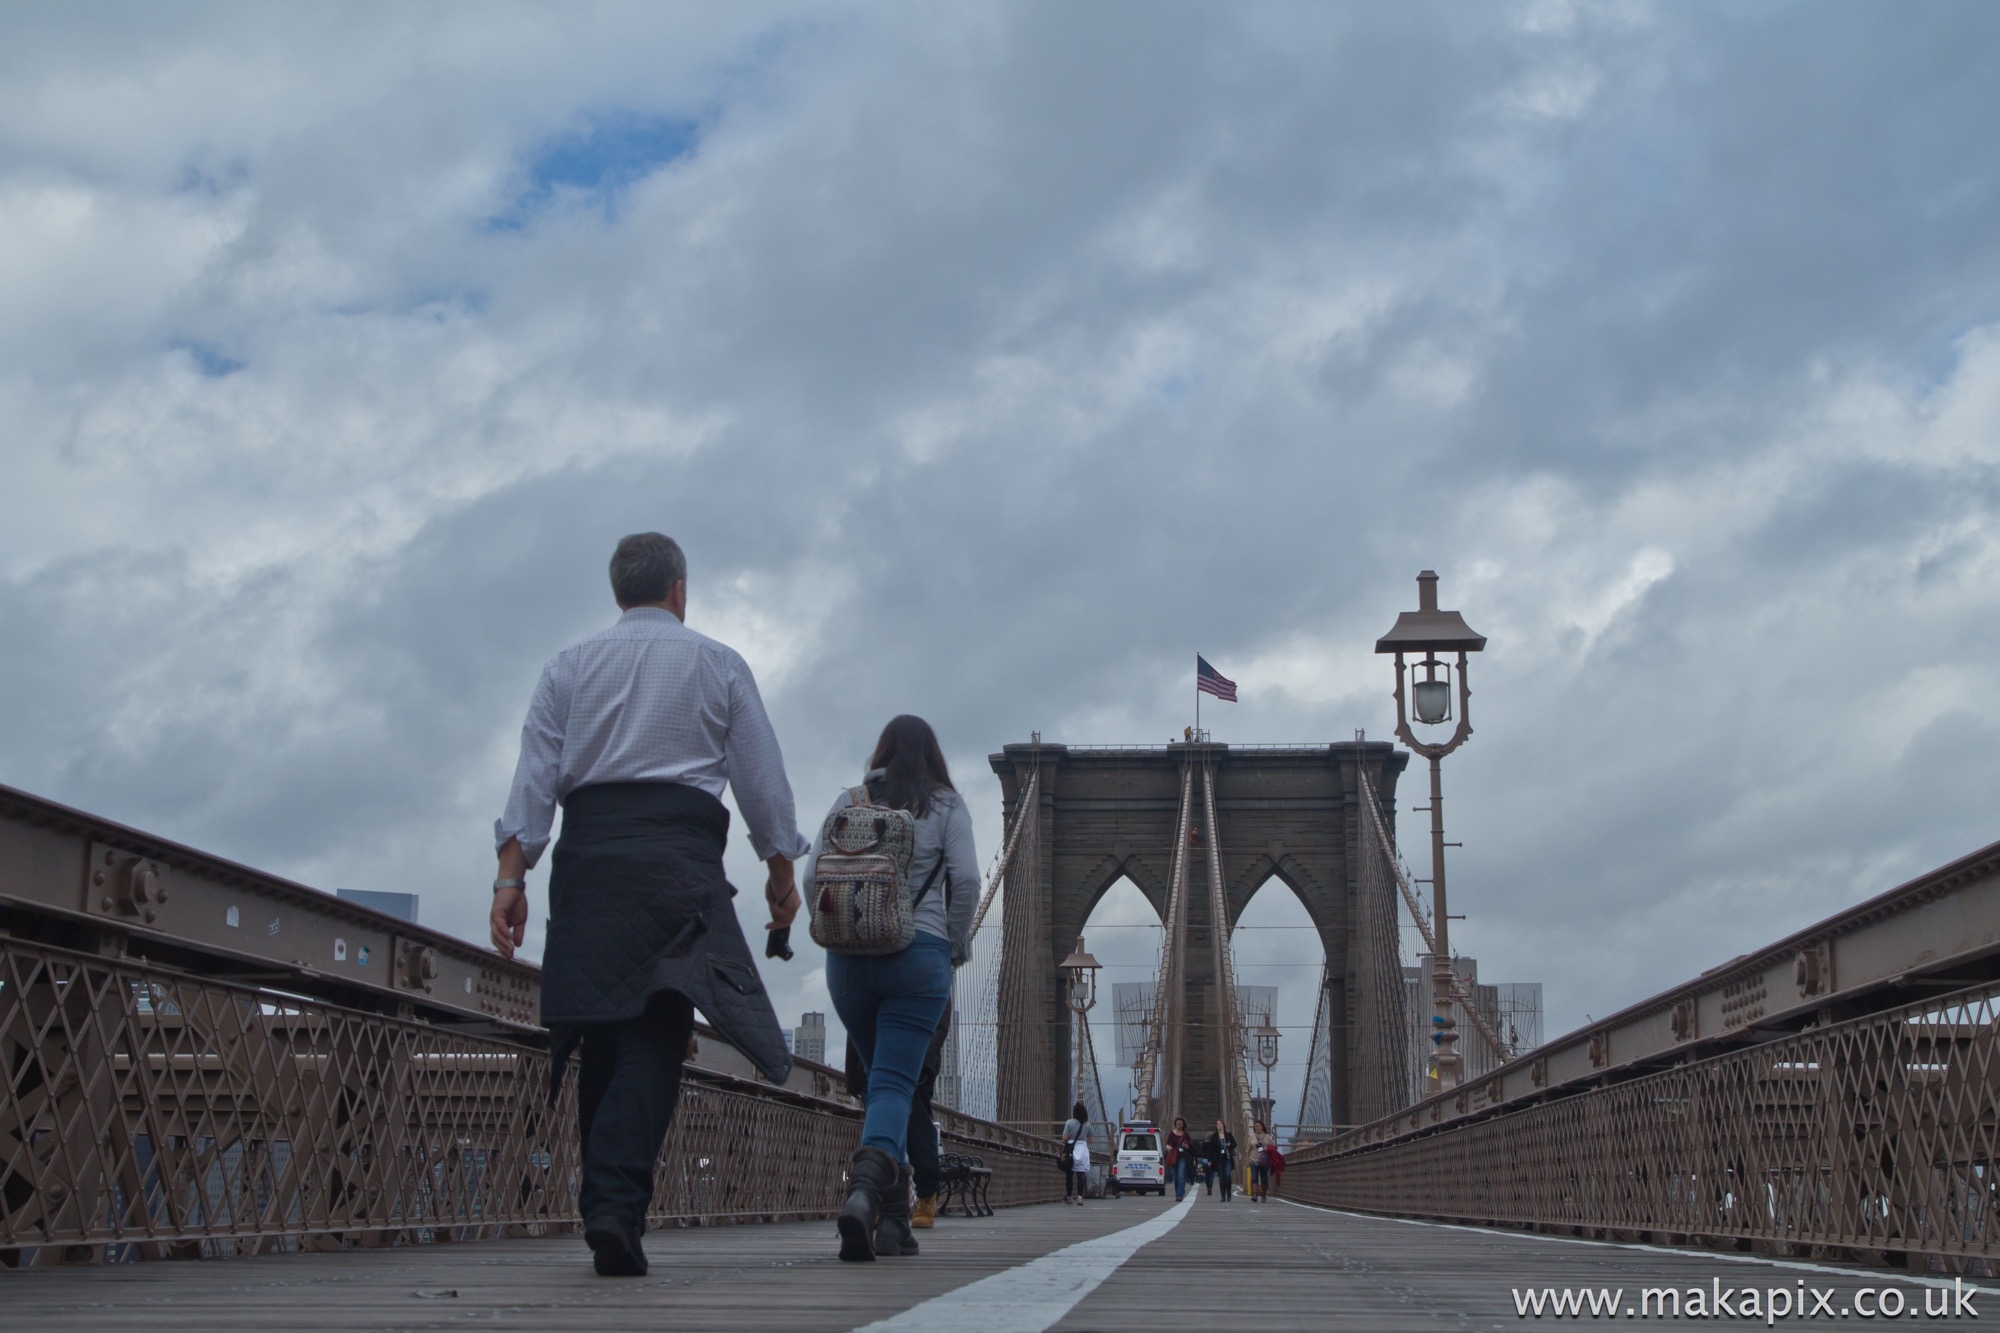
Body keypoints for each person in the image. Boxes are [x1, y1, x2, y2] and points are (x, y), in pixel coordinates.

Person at [489, 533, 806, 1278]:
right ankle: (612, 1204)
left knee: (602, 1028)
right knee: (657, 1031)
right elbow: (762, 781)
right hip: (676, 863)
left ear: (620, 591)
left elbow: (533, 777)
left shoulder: (567, 666)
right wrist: (779, 873)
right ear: (679, 591)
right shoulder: (719, 663)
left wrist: (510, 880)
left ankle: (611, 1207)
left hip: (589, 860)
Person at [808, 715, 977, 1261]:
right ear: (934, 756)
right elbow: (969, 880)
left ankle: (893, 1221)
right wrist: (953, 944)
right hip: (918, 958)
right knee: (891, 1087)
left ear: (881, 751)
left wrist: (839, 929)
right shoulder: (947, 806)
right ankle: (863, 1194)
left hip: (849, 963)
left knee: (886, 1085)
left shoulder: (849, 801)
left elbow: (813, 875)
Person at [845, 1002, 952, 1230]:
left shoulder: (928, 971)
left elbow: (939, 1023)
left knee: (917, 1131)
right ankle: (884, 1208)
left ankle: (925, 1196)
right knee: (879, 1133)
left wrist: (921, 1062)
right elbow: (855, 1020)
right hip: (871, 1063)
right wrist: (853, 1074)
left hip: (912, 1065)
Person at [1061, 1100, 1092, 1204]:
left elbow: (1064, 1138)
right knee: (1081, 1174)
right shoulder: (1087, 1124)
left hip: (1071, 1149)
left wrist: (1070, 1136)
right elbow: (1090, 1140)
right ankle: (1079, 1197)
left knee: (1069, 1174)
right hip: (1082, 1149)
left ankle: (1069, 1197)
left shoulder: (1069, 1122)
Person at [1202, 1120, 1237, 1204]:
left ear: (1223, 1125)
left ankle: (1228, 1194)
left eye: (1220, 1124)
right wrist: (1210, 1161)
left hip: (1227, 1158)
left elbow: (1235, 1144)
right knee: (1221, 1178)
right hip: (1219, 1159)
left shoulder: (1228, 1135)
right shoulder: (1214, 1136)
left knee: (1228, 1176)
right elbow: (1211, 1150)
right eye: (1217, 1124)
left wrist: (1230, 1145)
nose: (1219, 1125)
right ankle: (1223, 1196)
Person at [1163, 1116, 1194, 1202]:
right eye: (1177, 1123)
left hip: (1182, 1157)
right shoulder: (1171, 1134)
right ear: (1175, 1124)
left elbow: (1190, 1146)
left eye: (1180, 1123)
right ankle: (1178, 1192)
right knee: (1175, 1177)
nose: (1179, 1125)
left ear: (1183, 1124)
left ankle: (1180, 1195)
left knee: (1181, 1176)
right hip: (1174, 1157)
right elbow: (1167, 1144)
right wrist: (1168, 1147)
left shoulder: (1185, 1134)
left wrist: (1186, 1146)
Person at [1249, 1119, 1274, 1202]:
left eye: (1258, 1126)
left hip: (1264, 1160)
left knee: (1264, 1178)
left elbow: (1273, 1148)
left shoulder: (1267, 1137)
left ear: (1262, 1127)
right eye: (1255, 1126)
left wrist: (1267, 1148)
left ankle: (1263, 1195)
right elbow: (1247, 1150)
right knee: (1254, 1177)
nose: (1257, 1128)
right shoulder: (1251, 1137)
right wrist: (1246, 1161)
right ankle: (1255, 1195)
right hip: (1253, 1159)